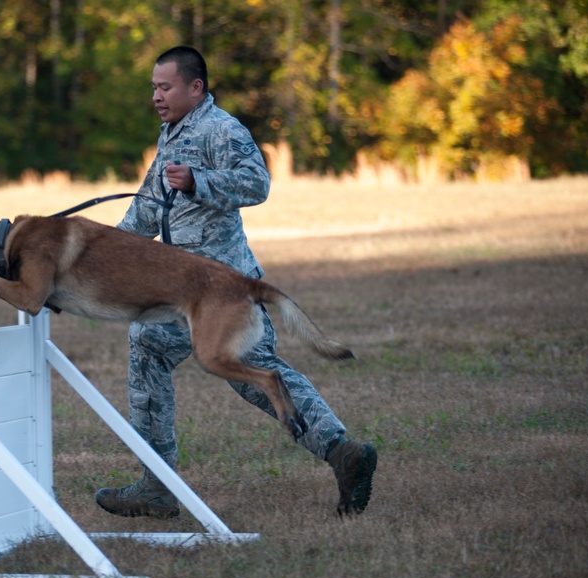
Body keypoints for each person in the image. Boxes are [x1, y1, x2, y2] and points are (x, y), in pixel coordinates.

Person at [94, 45, 377, 519]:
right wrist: (99, 253)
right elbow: (145, 208)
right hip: (176, 293)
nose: (157, 97)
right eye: (153, 89)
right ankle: (157, 485)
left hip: (220, 292)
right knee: (150, 350)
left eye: (165, 87)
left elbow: (257, 183)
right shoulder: (173, 133)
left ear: (195, 87)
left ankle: (341, 452)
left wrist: (199, 181)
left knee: (251, 375)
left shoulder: (221, 129)